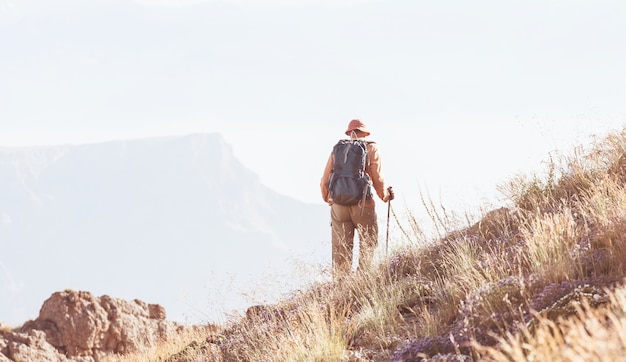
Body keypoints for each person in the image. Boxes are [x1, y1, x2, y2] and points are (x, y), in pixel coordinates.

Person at [320, 119, 394, 279]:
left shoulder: (338, 149)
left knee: (341, 250)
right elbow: (377, 177)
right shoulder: (371, 148)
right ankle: (362, 282)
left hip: (338, 206)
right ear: (366, 133)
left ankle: (341, 287)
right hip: (362, 205)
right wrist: (385, 196)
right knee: (368, 244)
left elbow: (324, 180)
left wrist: (329, 199)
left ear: (348, 133)